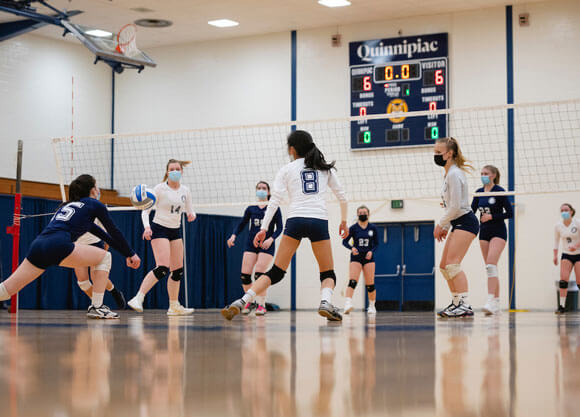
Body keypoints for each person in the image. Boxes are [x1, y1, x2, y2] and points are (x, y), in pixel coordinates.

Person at [221, 130, 348, 321]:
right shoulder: (324, 168)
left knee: (276, 271)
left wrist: (264, 228)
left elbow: (274, 202)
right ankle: (325, 302)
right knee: (327, 272)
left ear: (292, 149)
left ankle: (243, 300)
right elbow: (342, 197)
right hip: (318, 221)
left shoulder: (286, 169)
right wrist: (344, 222)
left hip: (295, 220)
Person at [0, 174, 140, 318]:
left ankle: (98, 306)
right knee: (105, 257)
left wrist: (128, 253)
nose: (98, 190)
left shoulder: (68, 206)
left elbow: (106, 237)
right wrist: (132, 254)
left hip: (38, 245)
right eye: (97, 187)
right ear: (92, 190)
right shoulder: (94, 204)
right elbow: (114, 231)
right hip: (59, 244)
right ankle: (97, 307)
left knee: (6, 290)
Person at [128, 159, 196, 316]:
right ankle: (138, 298)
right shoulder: (159, 189)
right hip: (160, 229)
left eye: (177, 169)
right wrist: (147, 227)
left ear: (182, 171)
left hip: (175, 230)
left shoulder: (186, 190)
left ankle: (174, 306)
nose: (175, 171)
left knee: (177, 271)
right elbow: (145, 211)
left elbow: (190, 210)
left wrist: (192, 215)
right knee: (162, 268)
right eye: (172, 169)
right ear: (167, 172)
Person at [433, 137, 479, 318]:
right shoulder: (449, 173)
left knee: (453, 264)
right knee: (444, 266)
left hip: (466, 221)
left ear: (449, 153)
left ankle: (465, 305)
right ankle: (456, 302)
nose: (435, 155)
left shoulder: (454, 174)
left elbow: (456, 207)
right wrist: (448, 223)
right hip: (458, 222)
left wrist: (440, 224)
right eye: (434, 152)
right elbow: (452, 206)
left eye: (438, 152)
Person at [227, 181, 283, 316]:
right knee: (245, 276)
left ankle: (261, 305)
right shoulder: (251, 208)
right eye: (259, 188)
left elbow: (280, 227)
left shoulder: (273, 207)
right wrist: (233, 235)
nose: (261, 190)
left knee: (259, 274)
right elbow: (241, 224)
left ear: (268, 192)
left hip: (266, 245)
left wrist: (271, 239)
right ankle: (249, 301)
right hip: (251, 244)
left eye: (264, 188)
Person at [471, 165, 513, 315]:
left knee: (490, 265)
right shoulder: (478, 193)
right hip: (484, 233)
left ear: (493, 175)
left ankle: (490, 301)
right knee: (491, 268)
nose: (483, 175)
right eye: (481, 173)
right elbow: (471, 212)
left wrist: (492, 217)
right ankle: (496, 303)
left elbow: (510, 213)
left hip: (498, 231)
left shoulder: (500, 191)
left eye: (486, 173)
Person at [74, 219, 126, 309]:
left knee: (97, 278)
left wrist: (106, 246)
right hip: (77, 245)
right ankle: (98, 303)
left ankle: (113, 293)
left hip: (94, 243)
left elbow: (105, 228)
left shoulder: (95, 206)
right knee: (83, 283)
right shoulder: (66, 206)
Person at [342, 205, 378, 315]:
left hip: (368, 258)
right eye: (360, 212)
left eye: (364, 212)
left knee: (370, 284)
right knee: (353, 281)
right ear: (357, 214)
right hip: (356, 257)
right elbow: (344, 242)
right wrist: (351, 248)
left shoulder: (373, 228)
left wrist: (371, 251)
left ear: (368, 214)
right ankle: (347, 304)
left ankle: (372, 306)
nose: (362, 214)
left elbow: (377, 243)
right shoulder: (353, 228)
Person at [553, 203, 580, 314]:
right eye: (562, 210)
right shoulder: (558, 226)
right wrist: (554, 255)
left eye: (566, 210)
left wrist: (576, 246)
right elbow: (556, 241)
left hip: (578, 254)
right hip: (566, 254)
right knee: (563, 280)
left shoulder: (577, 223)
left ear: (571, 211)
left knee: (579, 281)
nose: (564, 212)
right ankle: (561, 306)